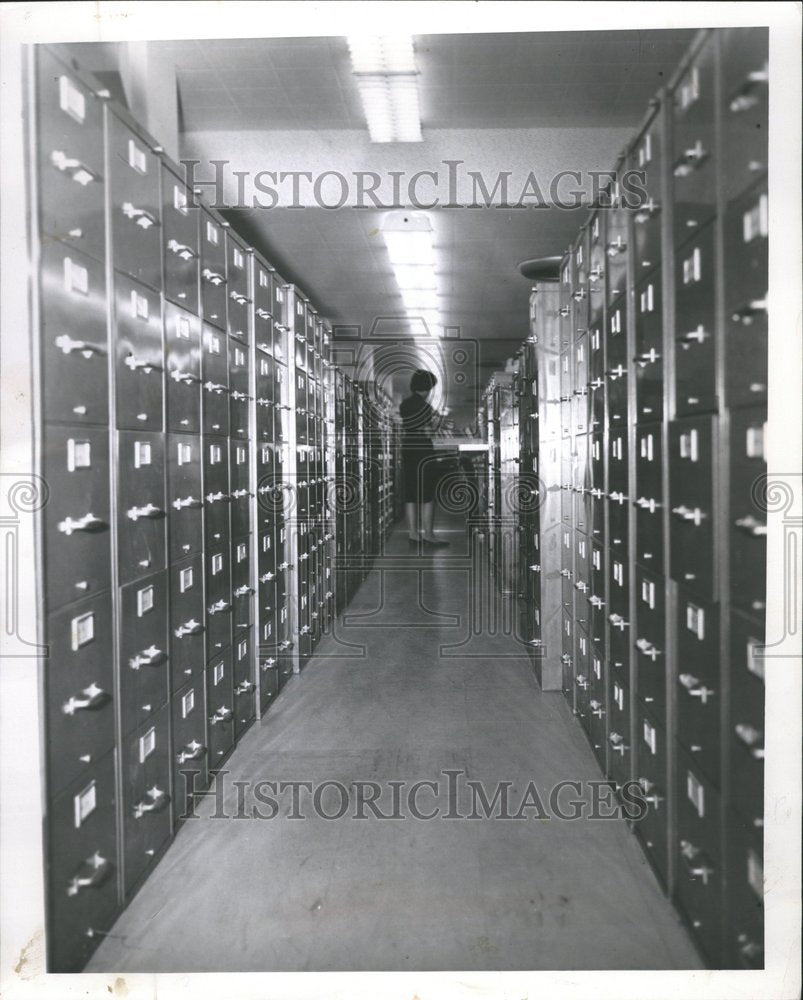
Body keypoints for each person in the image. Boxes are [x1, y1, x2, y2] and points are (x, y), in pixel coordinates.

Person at [400, 369, 450, 549]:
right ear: (427, 387)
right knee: (427, 493)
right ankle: (428, 535)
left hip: (408, 449)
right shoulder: (425, 407)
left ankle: (413, 535)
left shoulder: (404, 404)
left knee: (411, 493)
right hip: (423, 450)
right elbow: (428, 431)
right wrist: (439, 422)